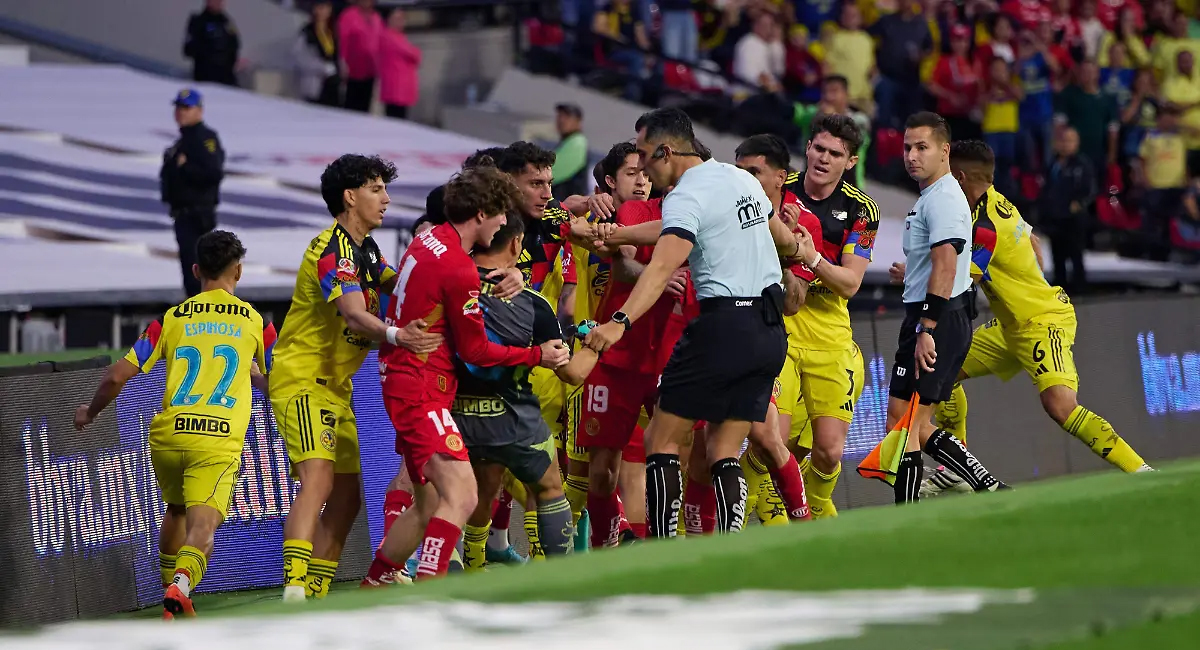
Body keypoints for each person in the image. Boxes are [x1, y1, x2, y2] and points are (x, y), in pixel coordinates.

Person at [362, 166, 570, 583]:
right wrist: (536, 354)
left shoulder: (427, 239)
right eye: (498, 214)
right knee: (462, 494)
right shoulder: (457, 268)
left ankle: (376, 581)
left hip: (401, 377)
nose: (502, 223)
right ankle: (431, 587)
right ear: (480, 214)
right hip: (421, 387)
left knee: (427, 505)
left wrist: (514, 274)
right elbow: (475, 349)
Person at [585, 108, 787, 536]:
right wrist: (618, 235)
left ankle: (664, 550)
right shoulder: (739, 179)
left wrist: (618, 323)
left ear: (665, 150)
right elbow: (781, 238)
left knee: (661, 440)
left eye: (643, 154)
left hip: (721, 329)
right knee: (722, 451)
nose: (639, 165)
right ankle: (730, 546)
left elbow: (662, 267)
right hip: (768, 330)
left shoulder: (686, 195)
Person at [918, 140, 1152, 496]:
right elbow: (1034, 243)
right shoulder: (998, 202)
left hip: (1041, 323)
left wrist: (917, 279)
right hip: (1011, 325)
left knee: (1060, 406)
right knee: (941, 369)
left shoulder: (984, 224)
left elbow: (963, 283)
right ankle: (956, 469)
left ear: (961, 177)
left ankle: (1144, 473)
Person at [73, 230, 275, 619]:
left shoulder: (168, 320)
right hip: (216, 438)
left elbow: (116, 376)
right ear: (240, 270)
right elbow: (279, 382)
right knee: (204, 526)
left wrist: (90, 411)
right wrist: (257, 378)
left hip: (168, 436)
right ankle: (180, 588)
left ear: (197, 270)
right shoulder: (257, 324)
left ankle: (173, 592)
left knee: (177, 509)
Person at [271, 155, 442, 602]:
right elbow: (351, 311)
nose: (386, 199)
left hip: (336, 388)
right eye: (376, 189)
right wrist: (395, 334)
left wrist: (443, 260)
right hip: (303, 379)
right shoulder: (330, 250)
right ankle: (292, 589)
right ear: (350, 197)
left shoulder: (366, 250)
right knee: (320, 480)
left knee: (348, 496)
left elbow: (398, 283)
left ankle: (315, 591)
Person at [457, 216, 604, 570]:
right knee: (552, 487)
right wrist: (596, 344)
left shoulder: (453, 286)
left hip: (458, 416)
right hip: (514, 418)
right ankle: (558, 573)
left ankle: (472, 569)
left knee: (484, 486)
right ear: (514, 244)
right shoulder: (533, 303)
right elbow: (570, 373)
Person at [886, 112, 1006, 504]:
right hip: (928, 314)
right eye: (907, 147)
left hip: (938, 319)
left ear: (944, 150)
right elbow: (935, 265)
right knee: (905, 421)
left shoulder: (944, 198)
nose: (911, 156)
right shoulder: (931, 197)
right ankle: (987, 486)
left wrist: (926, 328)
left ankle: (906, 512)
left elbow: (947, 264)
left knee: (906, 426)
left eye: (922, 147)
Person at [780, 113, 879, 518]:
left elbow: (850, 283)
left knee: (829, 449)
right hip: (780, 326)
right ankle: (770, 518)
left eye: (835, 153)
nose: (823, 158)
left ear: (850, 162)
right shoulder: (777, 190)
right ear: (807, 148)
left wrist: (809, 256)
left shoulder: (863, 212)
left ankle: (816, 505)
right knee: (775, 441)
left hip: (829, 330)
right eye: (818, 148)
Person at [160, 89, 225, 298]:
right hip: (183, 214)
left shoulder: (204, 138)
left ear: (199, 111)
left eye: (186, 108)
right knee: (190, 271)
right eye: (178, 108)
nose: (181, 112)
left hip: (198, 214)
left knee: (199, 270)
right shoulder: (182, 142)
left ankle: (204, 313)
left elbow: (213, 173)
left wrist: (185, 167)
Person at [1040, 126, 1098, 289]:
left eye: (1070, 141)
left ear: (1076, 143)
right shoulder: (1052, 164)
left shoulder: (1082, 164)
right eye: (1063, 141)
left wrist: (1079, 203)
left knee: (1075, 252)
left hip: (1074, 216)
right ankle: (1060, 283)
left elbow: (1090, 188)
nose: (1065, 145)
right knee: (1057, 252)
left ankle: (1079, 284)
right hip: (1055, 214)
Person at [338, 0, 384, 113]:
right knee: (351, 107)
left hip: (371, 70)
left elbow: (382, 41)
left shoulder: (377, 17)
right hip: (352, 71)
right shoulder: (348, 15)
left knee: (366, 107)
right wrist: (342, 62)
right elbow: (342, 40)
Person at [294, 1, 340, 107]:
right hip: (315, 86)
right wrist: (322, 67)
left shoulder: (332, 31)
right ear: (315, 9)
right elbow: (300, 59)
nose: (323, 11)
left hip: (333, 84)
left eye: (327, 8)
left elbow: (335, 53)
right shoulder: (307, 32)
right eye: (321, 8)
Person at [378, 8, 422, 120]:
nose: (400, 22)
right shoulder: (388, 36)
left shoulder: (400, 36)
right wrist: (415, 52)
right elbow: (413, 54)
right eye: (397, 18)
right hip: (395, 89)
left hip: (402, 88)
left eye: (402, 19)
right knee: (395, 120)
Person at [184, 0, 240, 86]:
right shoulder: (198, 22)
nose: (218, 3)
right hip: (205, 77)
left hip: (226, 79)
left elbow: (234, 45)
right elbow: (188, 50)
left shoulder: (227, 23)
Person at [551, 103, 590, 202]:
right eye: (560, 116)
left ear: (578, 121)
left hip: (567, 209)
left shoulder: (577, 142)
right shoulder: (567, 142)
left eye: (567, 116)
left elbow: (553, 172)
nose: (561, 120)